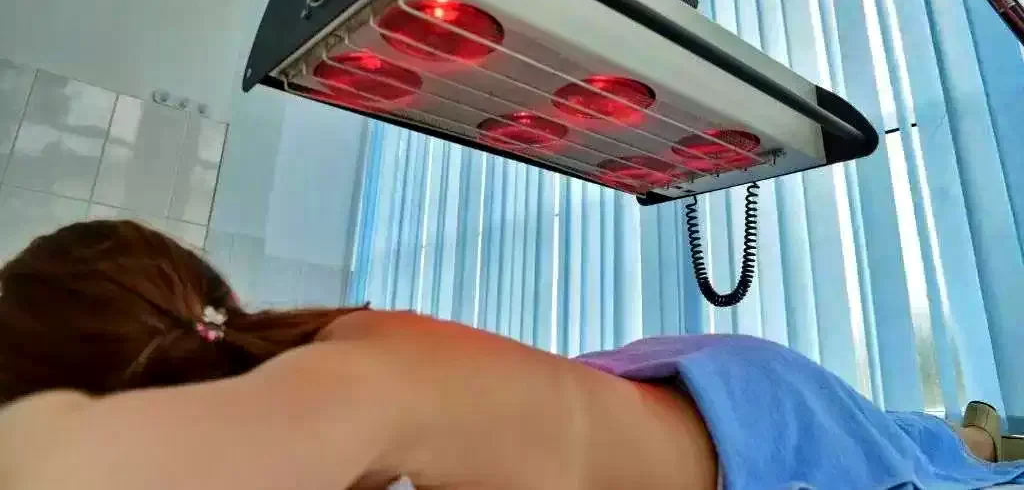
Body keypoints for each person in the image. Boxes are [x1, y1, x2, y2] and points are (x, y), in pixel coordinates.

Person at [0, 220, 1020, 490]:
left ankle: (978, 443)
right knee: (902, 438)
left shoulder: (348, 377)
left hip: (745, 422)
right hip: (641, 397)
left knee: (924, 461)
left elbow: (51, 465)